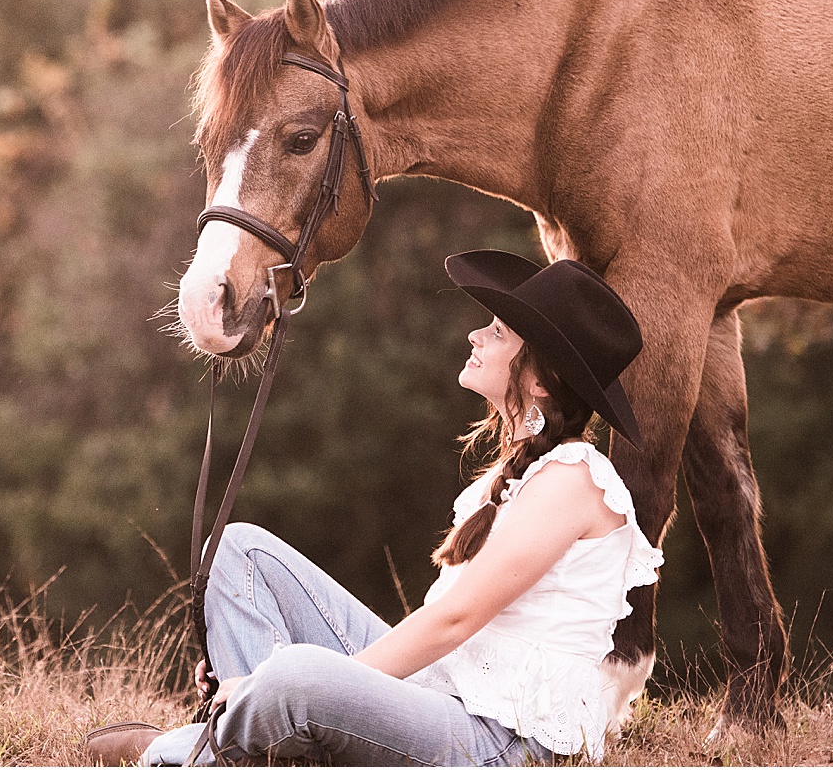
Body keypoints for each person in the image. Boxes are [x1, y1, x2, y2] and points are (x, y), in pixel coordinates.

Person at [85, 250, 663, 766]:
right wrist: (268, 687)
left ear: (541, 382)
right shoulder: (522, 470)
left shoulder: (574, 479)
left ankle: (183, 749)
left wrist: (283, 684)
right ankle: (255, 739)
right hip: (447, 693)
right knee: (240, 551)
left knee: (295, 675)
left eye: (497, 332)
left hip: (503, 740)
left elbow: (455, 619)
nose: (475, 336)